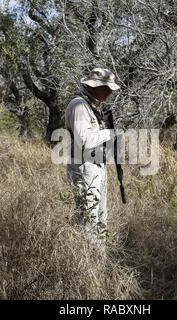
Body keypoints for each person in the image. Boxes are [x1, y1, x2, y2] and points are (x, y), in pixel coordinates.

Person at [65, 68, 120, 252]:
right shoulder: (79, 105)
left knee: (100, 219)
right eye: (107, 88)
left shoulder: (92, 106)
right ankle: (86, 264)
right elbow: (84, 141)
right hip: (84, 168)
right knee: (88, 219)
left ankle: (99, 261)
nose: (111, 92)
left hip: (96, 167)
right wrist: (108, 133)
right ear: (95, 87)